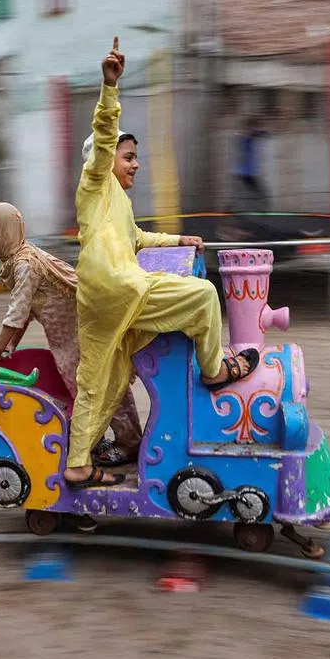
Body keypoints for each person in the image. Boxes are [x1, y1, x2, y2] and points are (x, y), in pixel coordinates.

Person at [64, 37, 261, 488]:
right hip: (119, 288)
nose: (136, 165)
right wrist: (110, 87)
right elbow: (103, 134)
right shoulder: (94, 182)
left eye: (136, 158)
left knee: (104, 379)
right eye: (129, 157)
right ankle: (213, 370)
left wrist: (178, 238)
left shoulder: (113, 203)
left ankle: (78, 460)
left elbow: (137, 237)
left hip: (99, 298)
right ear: (104, 157)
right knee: (204, 296)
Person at [0, 202, 142, 467]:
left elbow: (16, 313)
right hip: (74, 334)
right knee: (103, 386)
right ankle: (110, 440)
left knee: (94, 391)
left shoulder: (25, 265)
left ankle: (127, 443)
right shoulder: (18, 259)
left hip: (77, 337)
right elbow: (25, 312)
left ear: (2, 233)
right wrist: (11, 348)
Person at [236, 115, 269, 206]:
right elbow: (260, 133)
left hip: (245, 172)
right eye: (255, 126)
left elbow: (262, 133)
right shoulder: (247, 136)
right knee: (259, 194)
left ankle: (237, 206)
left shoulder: (245, 136)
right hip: (247, 172)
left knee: (252, 192)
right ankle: (258, 208)